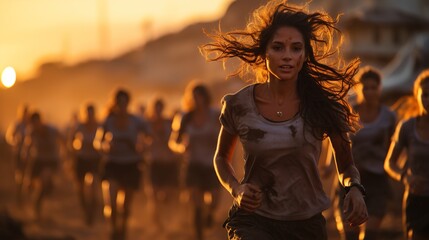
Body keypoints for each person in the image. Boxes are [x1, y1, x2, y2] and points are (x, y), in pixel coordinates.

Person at [201, 1, 368, 239]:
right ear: (264, 52)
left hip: (306, 224)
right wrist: (237, 189)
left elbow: (347, 166)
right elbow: (221, 158)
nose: (287, 56)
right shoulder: (238, 104)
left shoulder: (323, 108)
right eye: (278, 48)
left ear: (304, 55)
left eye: (296, 48)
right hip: (253, 221)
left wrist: (354, 189)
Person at [334, 67, 397, 240]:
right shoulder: (348, 113)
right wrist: (326, 165)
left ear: (379, 89)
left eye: (373, 87)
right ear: (359, 89)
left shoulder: (389, 116)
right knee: (349, 234)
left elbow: (395, 145)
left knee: (370, 234)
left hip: (376, 179)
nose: (369, 92)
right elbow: (336, 142)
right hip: (350, 177)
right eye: (365, 87)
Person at [94, 89, 151, 240]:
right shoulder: (108, 120)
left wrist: (142, 146)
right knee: (111, 202)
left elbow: (149, 136)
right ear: (115, 103)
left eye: (125, 102)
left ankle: (123, 229)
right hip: (112, 163)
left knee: (125, 205)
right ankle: (113, 229)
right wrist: (105, 147)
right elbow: (97, 142)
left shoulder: (136, 121)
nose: (122, 105)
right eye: (119, 102)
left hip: (131, 164)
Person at [169, 82, 221, 240]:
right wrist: (181, 148)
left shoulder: (215, 115)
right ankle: (199, 234)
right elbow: (173, 142)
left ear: (206, 97)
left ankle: (210, 213)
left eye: (200, 96)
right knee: (196, 202)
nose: (197, 100)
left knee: (213, 199)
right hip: (193, 164)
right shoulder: (185, 117)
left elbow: (226, 138)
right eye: (194, 97)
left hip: (212, 164)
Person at [384, 69, 429, 240]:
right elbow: (389, 163)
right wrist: (405, 177)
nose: (428, 100)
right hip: (415, 200)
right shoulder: (407, 127)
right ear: (417, 96)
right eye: (425, 95)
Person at [145, 97, 181, 230]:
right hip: (155, 162)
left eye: (160, 108)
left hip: (169, 162)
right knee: (153, 194)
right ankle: (156, 220)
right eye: (156, 108)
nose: (158, 111)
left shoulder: (169, 122)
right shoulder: (147, 124)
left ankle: (166, 218)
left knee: (169, 193)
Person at [21, 111, 64, 219]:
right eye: (33, 124)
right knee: (29, 185)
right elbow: (27, 146)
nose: (36, 126)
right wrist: (25, 156)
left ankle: (46, 192)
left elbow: (63, 140)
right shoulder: (31, 132)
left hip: (51, 160)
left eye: (37, 123)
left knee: (45, 178)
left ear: (41, 121)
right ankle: (35, 205)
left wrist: (65, 155)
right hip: (37, 160)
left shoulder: (52, 130)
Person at [69, 103, 102, 226]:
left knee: (93, 186)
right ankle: (85, 210)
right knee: (80, 189)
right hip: (81, 159)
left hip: (94, 160)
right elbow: (71, 141)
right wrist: (77, 146)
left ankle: (92, 212)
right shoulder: (79, 126)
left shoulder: (99, 126)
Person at [5, 104, 30, 202]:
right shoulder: (16, 124)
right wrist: (15, 141)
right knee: (20, 175)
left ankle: (25, 194)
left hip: (29, 154)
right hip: (18, 152)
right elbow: (9, 137)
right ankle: (19, 195)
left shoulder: (31, 125)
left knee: (28, 174)